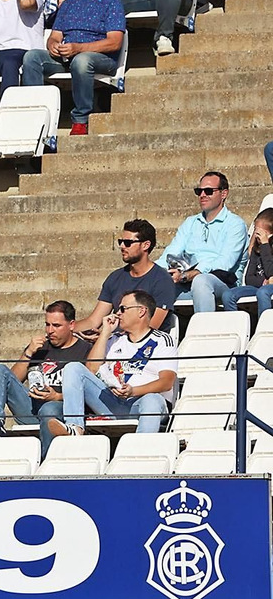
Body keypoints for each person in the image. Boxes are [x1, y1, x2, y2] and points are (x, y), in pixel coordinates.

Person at [48, 289, 178, 439]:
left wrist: (133, 391)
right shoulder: (114, 339)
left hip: (143, 403)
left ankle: (143, 448)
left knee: (152, 400)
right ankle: (75, 427)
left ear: (141, 311)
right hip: (114, 403)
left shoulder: (162, 340)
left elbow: (167, 382)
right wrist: (105, 332)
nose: (117, 313)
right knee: (73, 368)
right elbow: (90, 370)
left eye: (123, 309)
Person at [0, 304, 90, 455]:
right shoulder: (40, 348)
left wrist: (57, 396)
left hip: (61, 410)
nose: (50, 330)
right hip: (31, 407)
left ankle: (46, 459)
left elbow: (90, 394)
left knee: (49, 409)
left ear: (71, 325)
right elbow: (11, 380)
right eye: (47, 325)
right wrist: (28, 353)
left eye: (56, 325)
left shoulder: (85, 350)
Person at [20, 0, 124, 136]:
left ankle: (81, 120)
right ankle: (34, 116)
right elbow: (55, 36)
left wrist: (79, 48)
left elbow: (115, 42)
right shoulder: (68, 4)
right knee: (32, 57)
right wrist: (53, 45)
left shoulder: (111, 2)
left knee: (81, 61)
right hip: (68, 56)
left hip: (101, 58)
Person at [162, 172, 251, 314]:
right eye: (199, 191)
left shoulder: (235, 224)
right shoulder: (191, 222)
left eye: (208, 191)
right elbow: (170, 253)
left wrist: (192, 274)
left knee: (201, 281)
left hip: (224, 283)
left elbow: (225, 263)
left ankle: (205, 332)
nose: (202, 195)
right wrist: (152, 272)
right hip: (186, 281)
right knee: (148, 284)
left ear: (224, 194)